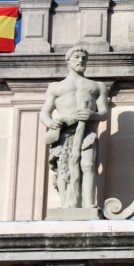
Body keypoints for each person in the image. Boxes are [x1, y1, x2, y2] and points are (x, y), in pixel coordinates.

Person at [40, 46, 108, 209]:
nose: (80, 60)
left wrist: (93, 115)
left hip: (87, 131)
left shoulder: (97, 86)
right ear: (68, 60)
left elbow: (104, 112)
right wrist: (50, 123)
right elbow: (44, 112)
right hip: (64, 132)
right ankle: (66, 206)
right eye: (77, 57)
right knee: (63, 168)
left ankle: (88, 204)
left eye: (84, 58)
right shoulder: (56, 87)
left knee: (88, 165)